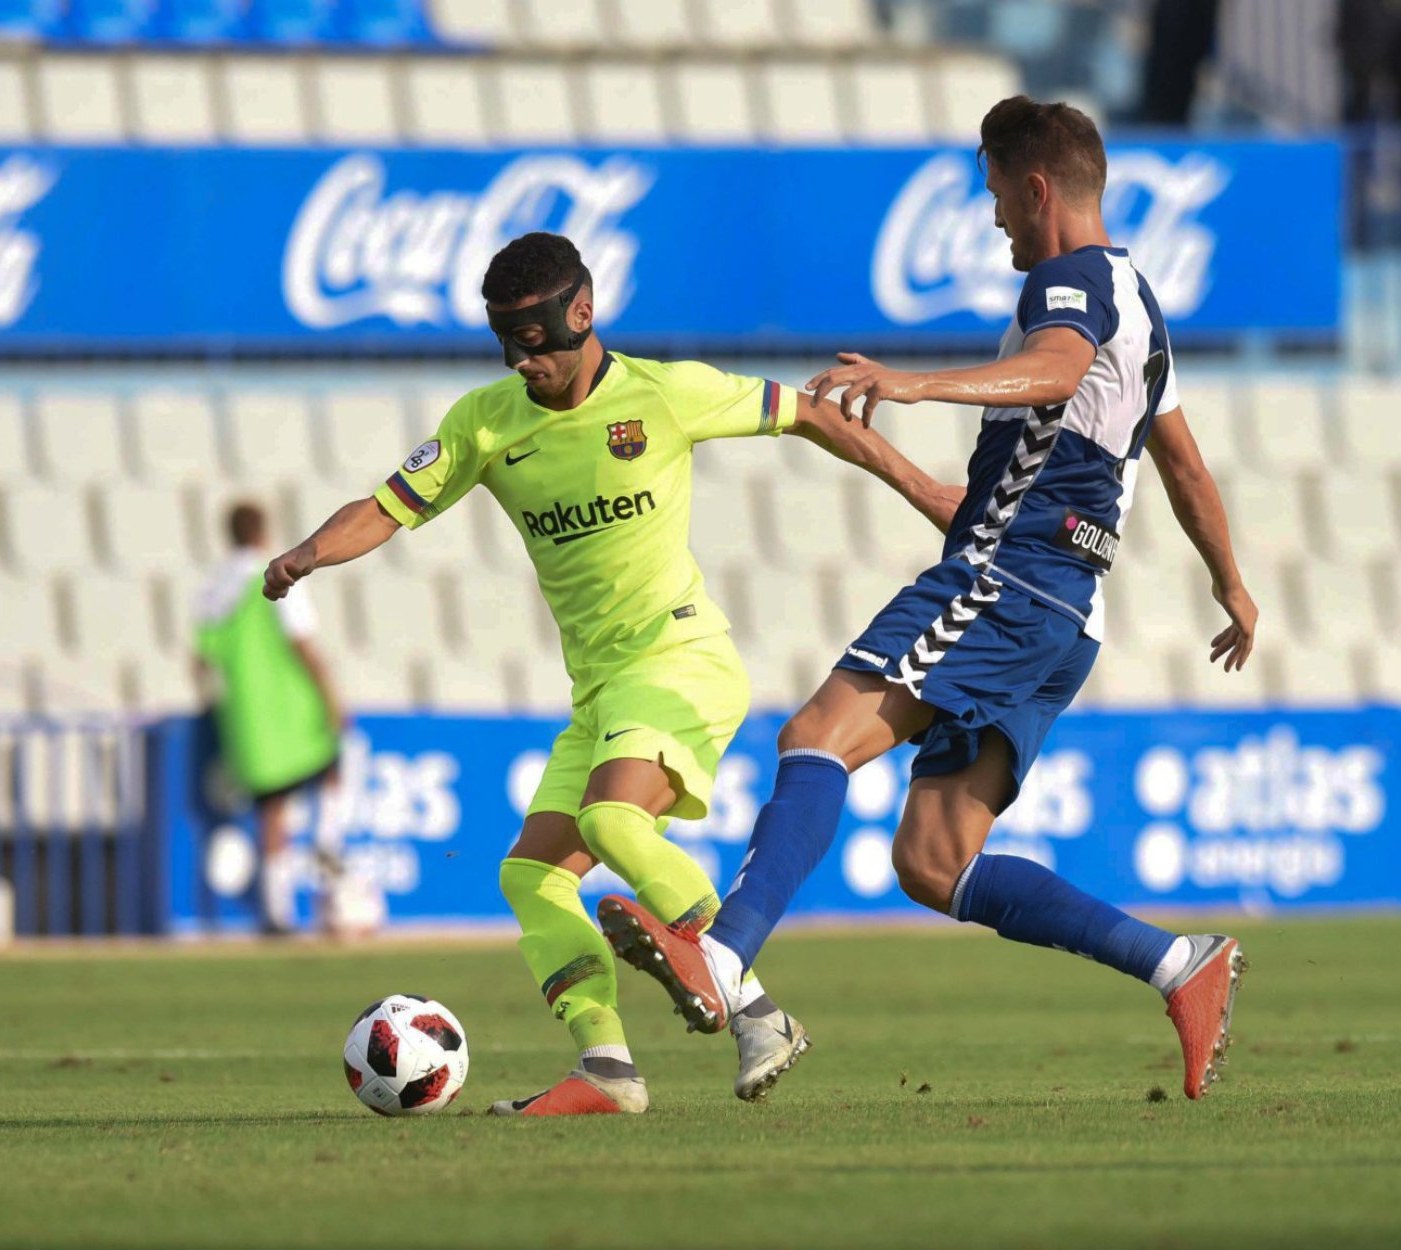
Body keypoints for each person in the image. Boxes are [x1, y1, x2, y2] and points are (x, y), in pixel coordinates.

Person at [600, 96, 1262, 1102]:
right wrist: (1231, 582)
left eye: (997, 193)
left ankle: (725, 958)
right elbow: (1182, 470)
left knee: (818, 735)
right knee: (933, 858)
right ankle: (1179, 964)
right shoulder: (1142, 305)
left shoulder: (1070, 285)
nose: (993, 215)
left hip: (1007, 582)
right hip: (1063, 613)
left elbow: (1050, 371)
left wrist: (915, 384)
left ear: (1037, 188)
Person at [261, 231, 952, 1116]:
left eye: (537, 336)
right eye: (506, 340)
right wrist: (309, 555)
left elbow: (814, 413)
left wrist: (929, 492)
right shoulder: (485, 422)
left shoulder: (666, 394)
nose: (524, 358)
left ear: (581, 312)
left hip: (682, 660)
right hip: (600, 690)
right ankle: (608, 1070)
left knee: (611, 818)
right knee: (532, 878)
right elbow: (388, 508)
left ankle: (753, 1006)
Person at [193, 501, 345, 936]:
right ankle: (327, 839)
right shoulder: (276, 574)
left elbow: (201, 662)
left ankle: (276, 915)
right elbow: (301, 643)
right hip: (291, 708)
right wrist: (331, 697)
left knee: (272, 812)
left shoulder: (212, 589)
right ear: (262, 531)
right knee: (333, 766)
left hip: (246, 719)